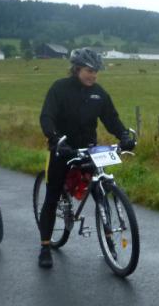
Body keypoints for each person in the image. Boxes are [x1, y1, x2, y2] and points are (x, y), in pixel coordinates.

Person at [37, 48, 135, 268]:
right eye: (89, 71)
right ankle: (45, 246)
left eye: (96, 72)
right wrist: (54, 138)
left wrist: (124, 136)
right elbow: (47, 116)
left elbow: (112, 119)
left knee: (100, 191)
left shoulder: (99, 93)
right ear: (77, 69)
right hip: (62, 148)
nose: (93, 75)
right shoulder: (59, 88)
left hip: (88, 149)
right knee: (52, 196)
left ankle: (108, 242)